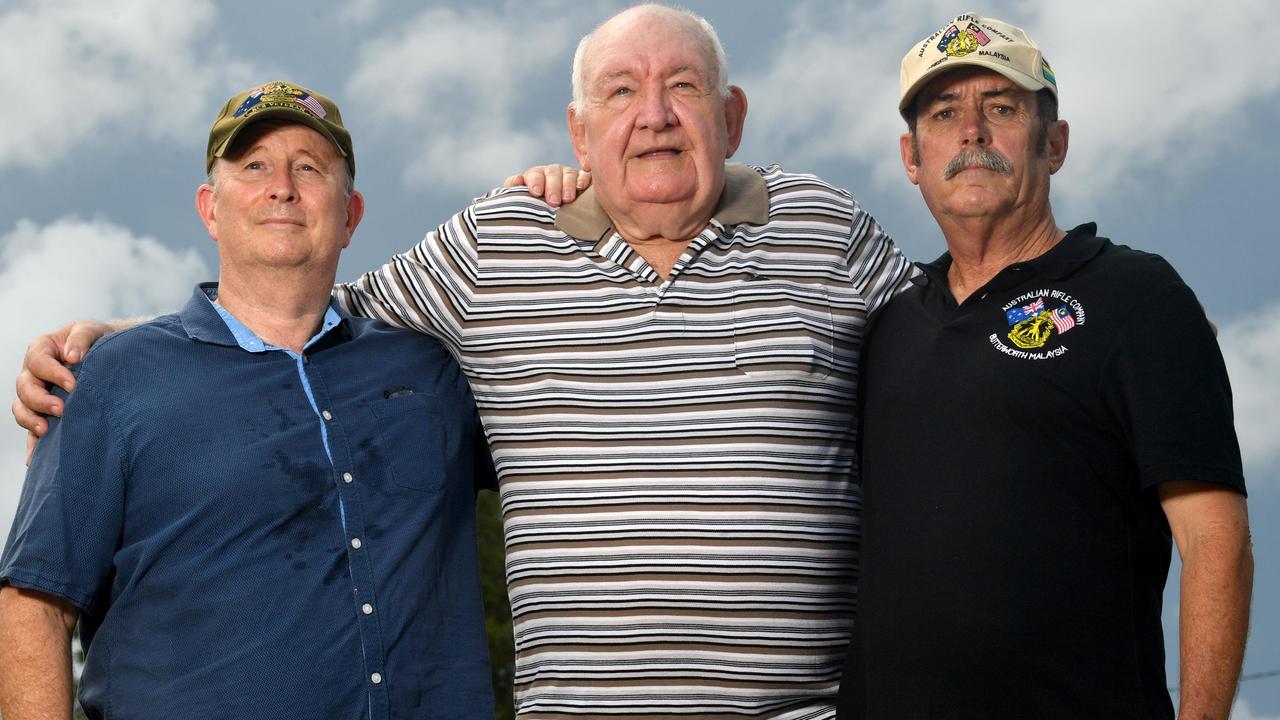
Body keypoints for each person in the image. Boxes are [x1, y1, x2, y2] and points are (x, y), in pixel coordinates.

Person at [13, 6, 912, 717]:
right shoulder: (496, 244)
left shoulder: (823, 229)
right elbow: (292, 314)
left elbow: (956, 349)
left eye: (683, 86)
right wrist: (120, 336)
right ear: (578, 128)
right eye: (621, 92)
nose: (655, 115)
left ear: (732, 115)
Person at [0, 81, 496, 719]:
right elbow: (36, 603)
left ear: (351, 215)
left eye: (309, 168)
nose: (282, 186)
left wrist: (575, 202)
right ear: (210, 208)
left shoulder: (431, 372)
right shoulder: (113, 377)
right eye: (254, 166)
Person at [838, 14, 1253, 719]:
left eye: (1000, 108)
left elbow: (1215, 540)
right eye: (945, 113)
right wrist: (584, 188)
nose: (971, 131)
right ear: (911, 157)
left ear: (1053, 143)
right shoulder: (883, 326)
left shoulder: (1136, 296)